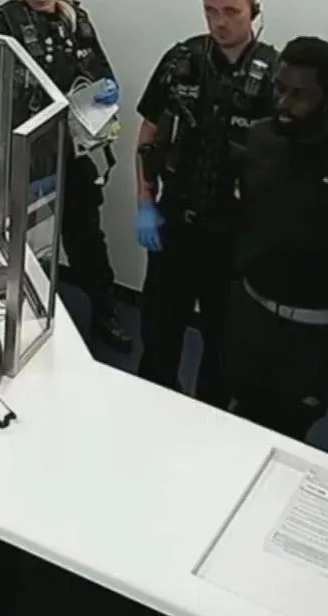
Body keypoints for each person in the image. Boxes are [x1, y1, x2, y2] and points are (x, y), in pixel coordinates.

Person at [210, 36, 328, 440]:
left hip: (308, 339)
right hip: (249, 316)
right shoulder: (260, 139)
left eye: (299, 95)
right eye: (279, 88)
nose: (282, 103)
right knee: (230, 419)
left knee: (285, 439)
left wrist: (327, 280)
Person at [0, 0, 132, 352]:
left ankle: (103, 309)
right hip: (24, 150)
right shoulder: (3, 23)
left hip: (73, 147)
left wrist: (108, 88)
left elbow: (100, 70)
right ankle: (21, 321)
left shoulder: (74, 20)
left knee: (86, 236)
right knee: (27, 242)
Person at [134, 0, 277, 394]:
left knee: (223, 342)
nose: (219, 22)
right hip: (175, 219)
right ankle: (152, 402)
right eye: (210, 9)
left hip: (233, 234)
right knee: (159, 330)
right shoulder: (181, 60)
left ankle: (210, 415)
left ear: (254, 10)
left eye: (231, 11)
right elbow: (148, 135)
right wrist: (145, 202)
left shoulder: (277, 77)